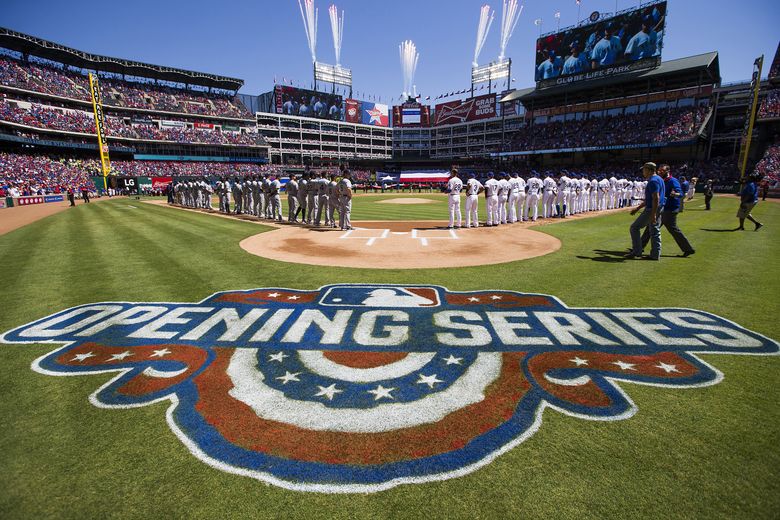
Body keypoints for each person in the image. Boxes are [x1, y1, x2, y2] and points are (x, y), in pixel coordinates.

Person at [641, 164, 695, 257]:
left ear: (667, 171)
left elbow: (680, 193)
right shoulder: (660, 180)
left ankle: (688, 249)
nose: (660, 172)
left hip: (670, 209)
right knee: (651, 227)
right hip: (662, 208)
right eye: (659, 171)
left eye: (662, 171)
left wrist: (675, 194)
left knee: (672, 229)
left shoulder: (673, 181)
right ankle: (639, 247)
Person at [627, 162, 665, 261]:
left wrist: (653, 215)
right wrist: (638, 208)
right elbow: (651, 199)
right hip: (659, 208)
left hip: (652, 209)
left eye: (644, 169)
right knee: (655, 231)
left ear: (649, 170)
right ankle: (655, 254)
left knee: (634, 228)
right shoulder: (659, 179)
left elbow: (655, 198)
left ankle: (637, 251)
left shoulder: (653, 181)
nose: (643, 172)